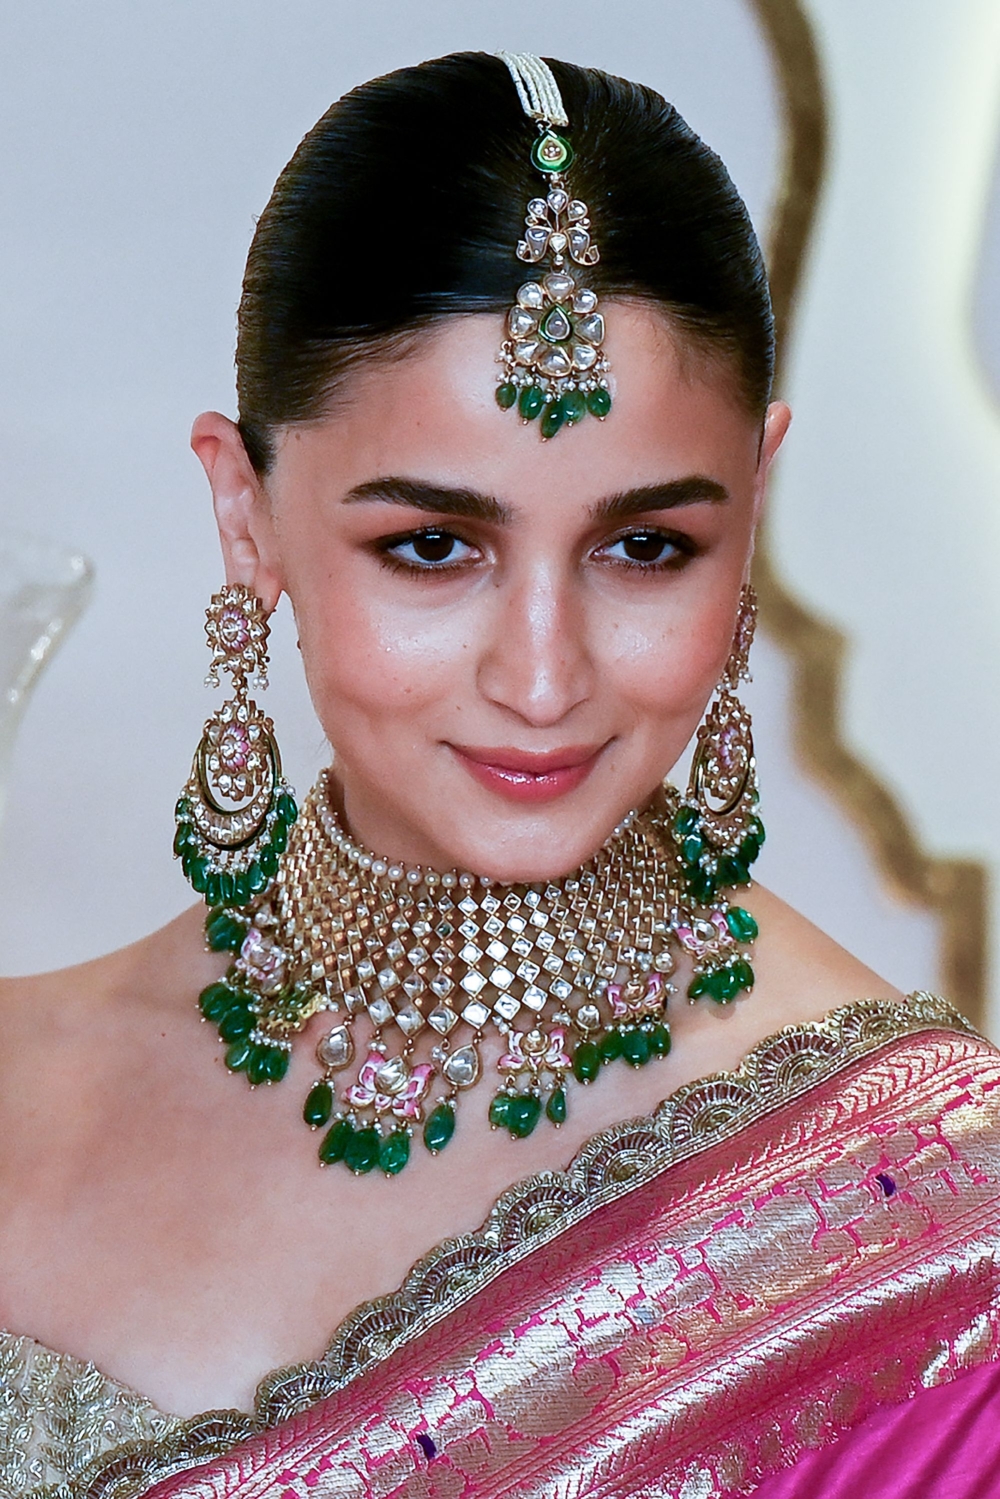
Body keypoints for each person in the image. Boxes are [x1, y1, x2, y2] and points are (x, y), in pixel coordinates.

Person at [1, 49, 998, 1499]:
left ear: (756, 503)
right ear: (246, 512)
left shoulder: (926, 1237)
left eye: (646, 546)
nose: (543, 677)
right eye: (432, 547)